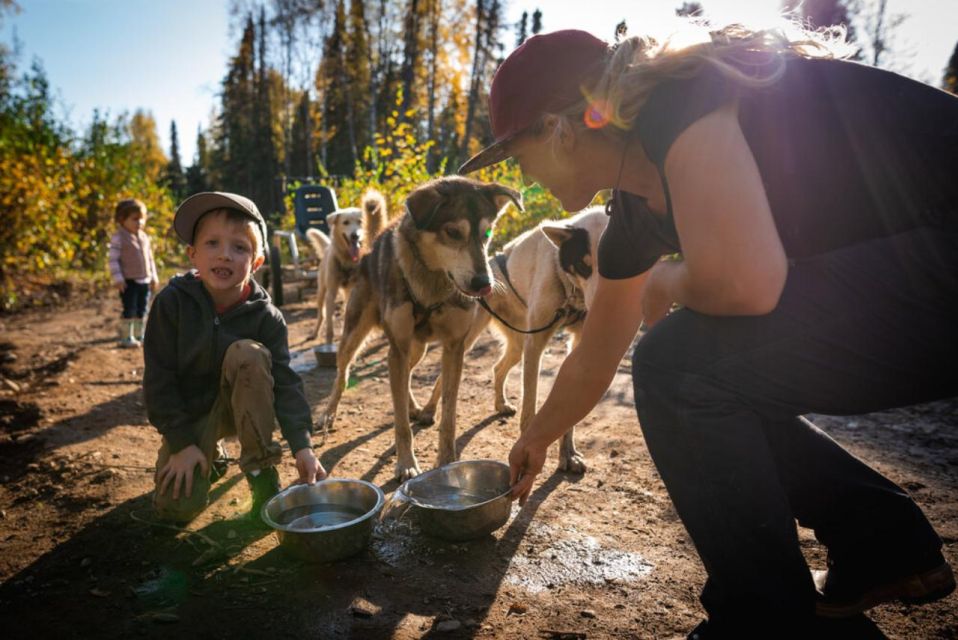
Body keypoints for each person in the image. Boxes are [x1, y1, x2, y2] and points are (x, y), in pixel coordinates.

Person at [458, 23, 958, 638]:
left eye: (516, 153)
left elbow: (748, 284)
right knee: (705, 367)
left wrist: (667, 281)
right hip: (925, 278)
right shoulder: (635, 209)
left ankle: (762, 620)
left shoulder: (681, 103)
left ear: (557, 128)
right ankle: (880, 541)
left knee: (680, 365)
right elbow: (596, 352)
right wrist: (536, 436)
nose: (522, 173)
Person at [143, 192, 325, 524]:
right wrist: (181, 443)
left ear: (256, 262)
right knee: (175, 509)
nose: (225, 255)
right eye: (212, 243)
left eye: (239, 247)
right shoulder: (172, 304)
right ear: (193, 255)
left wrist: (302, 446)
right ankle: (209, 454)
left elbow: (285, 382)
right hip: (191, 413)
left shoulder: (266, 317)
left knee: (248, 353)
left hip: (246, 409)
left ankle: (260, 471)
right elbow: (159, 377)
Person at [108, 198, 159, 347]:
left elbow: (150, 258)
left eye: (142, 219)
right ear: (122, 220)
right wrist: (117, 277)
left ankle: (139, 334)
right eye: (135, 219)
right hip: (128, 281)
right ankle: (126, 337)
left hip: (144, 280)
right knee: (129, 308)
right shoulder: (119, 238)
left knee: (142, 308)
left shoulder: (144, 237)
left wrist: (153, 276)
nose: (140, 223)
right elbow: (113, 260)